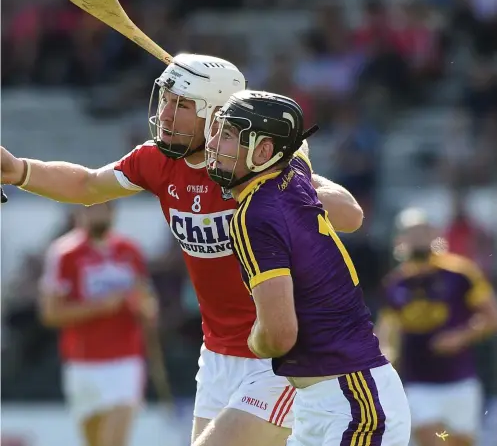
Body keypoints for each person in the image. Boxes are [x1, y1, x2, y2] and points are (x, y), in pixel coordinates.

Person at [1, 53, 364, 446]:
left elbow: (350, 215)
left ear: (215, 116)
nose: (167, 114)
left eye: (183, 105)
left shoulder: (257, 169)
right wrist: (19, 170)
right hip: (219, 354)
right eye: (167, 100)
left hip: (283, 351)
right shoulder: (156, 161)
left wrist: (290, 179)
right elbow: (87, 185)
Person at [205, 89, 411, 446]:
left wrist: (254, 339)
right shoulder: (295, 177)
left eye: (227, 135)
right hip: (325, 402)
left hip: (352, 403)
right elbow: (350, 212)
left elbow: (279, 336)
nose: (212, 143)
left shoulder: (253, 215)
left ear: (264, 151)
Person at [38, 202, 157, 446]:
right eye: (91, 209)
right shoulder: (64, 253)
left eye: (104, 208)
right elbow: (51, 314)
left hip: (125, 361)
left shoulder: (130, 250)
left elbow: (147, 300)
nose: (98, 214)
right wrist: (100, 307)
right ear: (80, 213)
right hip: (83, 363)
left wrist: (145, 308)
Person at [376, 208, 497, 446]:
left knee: (459, 441)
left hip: (460, 379)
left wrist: (461, 336)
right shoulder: (395, 283)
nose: (418, 238)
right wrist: (386, 355)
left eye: (423, 231)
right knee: (433, 439)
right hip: (417, 382)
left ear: (436, 235)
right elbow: (387, 329)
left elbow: (491, 316)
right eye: (411, 232)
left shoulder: (460, 273)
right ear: (399, 239)